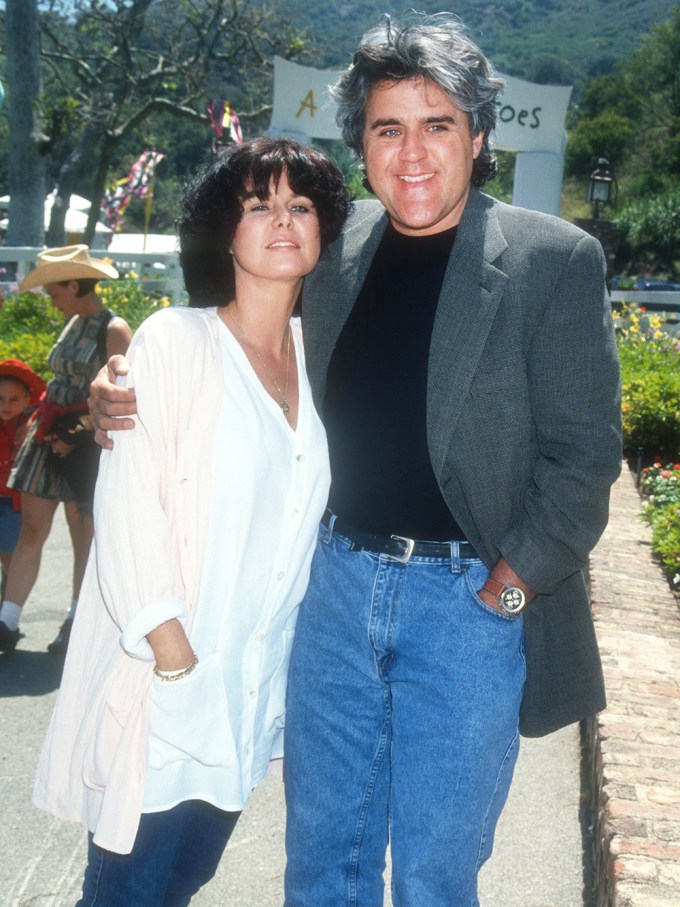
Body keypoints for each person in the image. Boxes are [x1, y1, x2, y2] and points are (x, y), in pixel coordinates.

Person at [89, 14, 622, 905]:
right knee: (321, 866)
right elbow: (233, 342)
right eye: (388, 128)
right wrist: (123, 385)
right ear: (364, 144)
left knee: (431, 876)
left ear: (478, 135)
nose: (412, 153)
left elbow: (583, 463)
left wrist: (505, 595)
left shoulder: (551, 261)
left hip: (467, 606)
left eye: (437, 124)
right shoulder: (333, 249)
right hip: (332, 594)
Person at [33, 138, 351, 906]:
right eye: (258, 205)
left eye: (300, 205)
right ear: (222, 231)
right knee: (127, 890)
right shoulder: (177, 340)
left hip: (250, 690)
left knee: (181, 881)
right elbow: (129, 498)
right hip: (168, 678)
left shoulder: (323, 357)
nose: (283, 220)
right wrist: (170, 647)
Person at [0, 245, 131, 655]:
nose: (52, 301)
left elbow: (122, 393)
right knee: (31, 533)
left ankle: (77, 620)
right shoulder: (73, 320)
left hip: (83, 446)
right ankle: (7, 620)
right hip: (46, 438)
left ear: (74, 285)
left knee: (84, 537)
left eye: (55, 292)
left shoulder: (113, 328)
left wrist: (75, 432)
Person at [0, 360, 46, 579]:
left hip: (15, 502)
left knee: (10, 553)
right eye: (0, 399)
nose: (5, 405)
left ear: (27, 400)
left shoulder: (31, 426)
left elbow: (46, 407)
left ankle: (7, 596)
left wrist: (31, 423)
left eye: (13, 399)